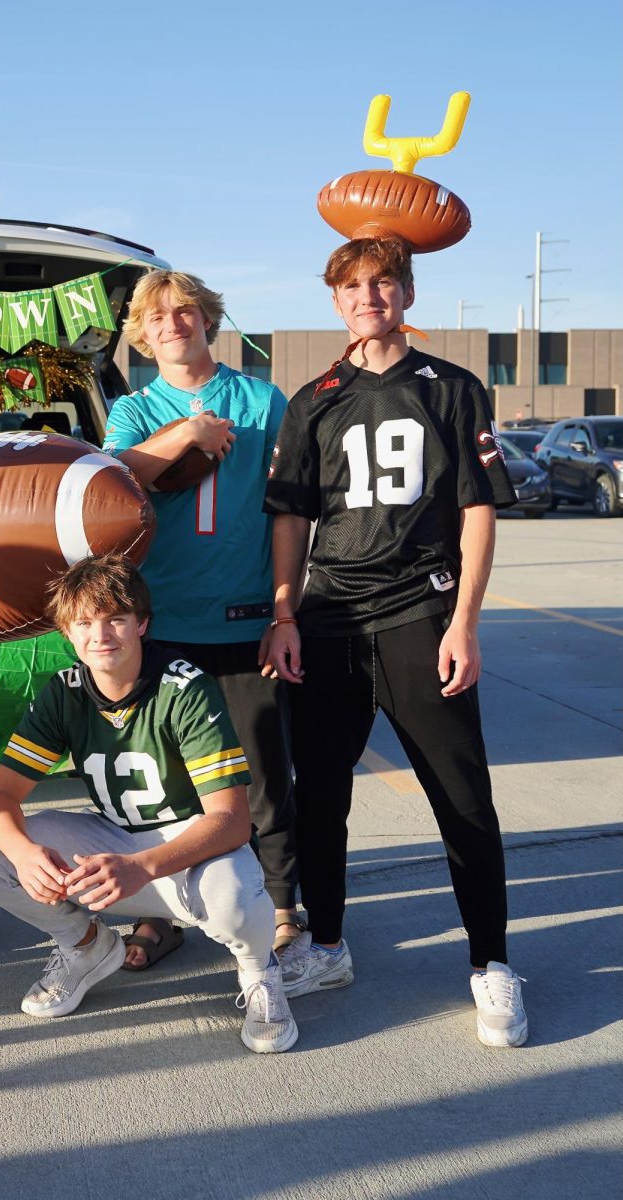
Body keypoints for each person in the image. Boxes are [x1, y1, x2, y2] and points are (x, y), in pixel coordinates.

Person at [262, 237, 528, 1048]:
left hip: (422, 612)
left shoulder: (452, 388)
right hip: (331, 618)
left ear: (406, 293)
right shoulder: (314, 397)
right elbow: (291, 515)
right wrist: (283, 613)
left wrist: (465, 622)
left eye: (381, 282)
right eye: (351, 286)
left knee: (462, 799)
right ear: (334, 301)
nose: (367, 296)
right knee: (321, 799)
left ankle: (490, 966)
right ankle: (330, 946)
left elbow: (477, 508)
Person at [0, 555, 297, 1053]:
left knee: (234, 898)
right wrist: (25, 855)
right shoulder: (65, 692)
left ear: (142, 623)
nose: (101, 635)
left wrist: (143, 866)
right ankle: (85, 946)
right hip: (115, 838)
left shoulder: (184, 687)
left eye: (115, 618)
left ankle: (259, 972)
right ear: (66, 635)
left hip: (191, 847)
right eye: (84, 623)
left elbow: (231, 820)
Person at [102, 270, 302, 968]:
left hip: (243, 616)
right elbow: (111, 473)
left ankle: (281, 904)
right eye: (155, 316)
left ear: (208, 319)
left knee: (260, 774)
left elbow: (287, 510)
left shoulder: (259, 398)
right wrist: (185, 432)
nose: (171, 325)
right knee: (166, 780)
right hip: (162, 620)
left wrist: (283, 608)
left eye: (184, 312)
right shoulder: (134, 407)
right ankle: (163, 909)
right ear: (140, 332)